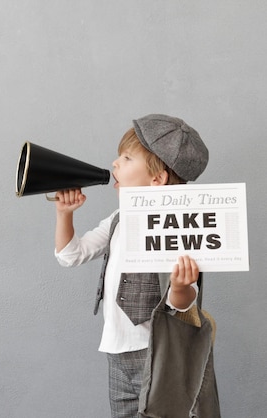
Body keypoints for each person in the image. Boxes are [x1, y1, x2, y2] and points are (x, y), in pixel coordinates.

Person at [53, 114, 209, 418]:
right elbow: (70, 255)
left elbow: (185, 304)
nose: (114, 163)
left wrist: (178, 287)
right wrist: (64, 215)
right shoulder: (118, 219)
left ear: (157, 179)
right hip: (116, 352)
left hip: (156, 353)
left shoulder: (178, 228)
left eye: (126, 158)